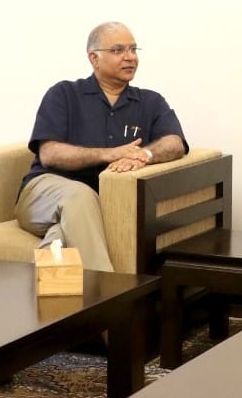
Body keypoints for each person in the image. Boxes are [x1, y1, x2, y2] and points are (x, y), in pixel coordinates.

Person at [16, 22, 187, 272]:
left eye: (133, 49)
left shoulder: (150, 101)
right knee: (81, 197)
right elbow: (49, 154)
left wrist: (145, 154)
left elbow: (175, 143)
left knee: (62, 234)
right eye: (118, 50)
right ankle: (110, 289)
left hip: (96, 206)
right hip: (44, 192)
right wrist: (112, 154)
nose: (129, 57)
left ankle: (45, 286)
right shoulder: (64, 94)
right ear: (94, 58)